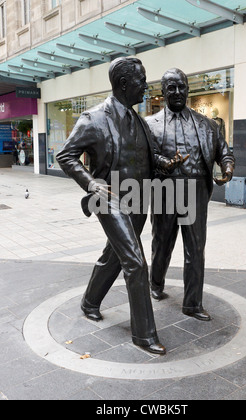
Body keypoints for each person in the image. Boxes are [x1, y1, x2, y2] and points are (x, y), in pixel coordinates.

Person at [56, 57, 166, 355]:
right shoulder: (94, 118)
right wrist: (90, 183)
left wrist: (166, 163)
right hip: (110, 198)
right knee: (135, 262)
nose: (146, 85)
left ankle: (90, 301)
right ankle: (143, 335)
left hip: (139, 198)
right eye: (142, 80)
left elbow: (150, 156)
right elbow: (65, 155)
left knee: (114, 256)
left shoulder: (139, 120)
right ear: (124, 84)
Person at [146, 68, 235, 321]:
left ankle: (192, 303)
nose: (177, 92)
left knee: (195, 248)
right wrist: (163, 162)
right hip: (166, 190)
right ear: (162, 93)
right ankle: (155, 284)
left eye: (181, 87)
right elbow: (145, 159)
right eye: (171, 88)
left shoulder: (206, 124)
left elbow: (224, 152)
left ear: (188, 89)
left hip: (195, 191)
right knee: (162, 243)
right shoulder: (149, 125)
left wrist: (227, 169)